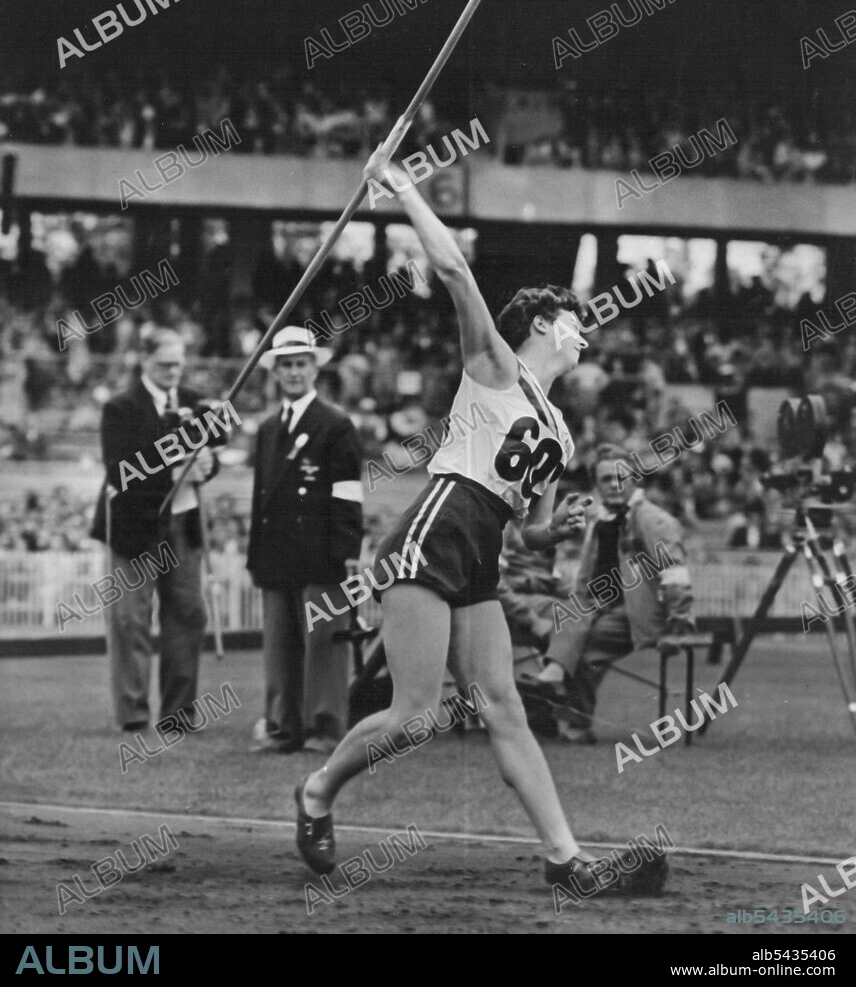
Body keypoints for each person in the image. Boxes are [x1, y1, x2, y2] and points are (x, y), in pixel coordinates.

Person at [293, 144, 667, 897]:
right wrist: (402, 185)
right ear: (537, 323)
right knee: (415, 715)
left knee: (503, 705)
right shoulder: (496, 363)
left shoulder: (560, 430)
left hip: (481, 550)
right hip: (433, 531)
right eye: (571, 318)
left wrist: (552, 532)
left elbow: (524, 525)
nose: (583, 329)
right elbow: (456, 273)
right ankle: (317, 790)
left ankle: (566, 859)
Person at [91, 328, 220, 732]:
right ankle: (132, 714)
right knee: (131, 619)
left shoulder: (194, 402)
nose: (173, 372)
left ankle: (178, 714)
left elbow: (218, 447)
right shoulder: (121, 407)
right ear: (144, 360)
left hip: (184, 523)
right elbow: (121, 471)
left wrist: (207, 465)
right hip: (134, 524)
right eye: (165, 364)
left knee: (188, 613)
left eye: (179, 364)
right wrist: (175, 467)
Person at [526, 443, 696, 743]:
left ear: (635, 479)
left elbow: (674, 574)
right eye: (606, 479)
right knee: (562, 620)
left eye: (622, 477)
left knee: (583, 647)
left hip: (639, 612)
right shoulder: (598, 518)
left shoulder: (652, 519)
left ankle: (565, 708)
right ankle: (555, 696)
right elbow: (589, 570)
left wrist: (678, 624)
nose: (615, 484)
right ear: (597, 484)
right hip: (599, 604)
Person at [247, 326, 363, 755]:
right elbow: (262, 496)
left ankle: (324, 728)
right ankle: (282, 727)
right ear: (275, 373)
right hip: (276, 553)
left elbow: (348, 495)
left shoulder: (335, 425)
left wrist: (347, 553)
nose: (294, 373)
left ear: (315, 368)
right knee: (279, 650)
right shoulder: (267, 429)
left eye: (301, 364)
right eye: (286, 366)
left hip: (321, 554)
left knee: (323, 649)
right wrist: (256, 556)